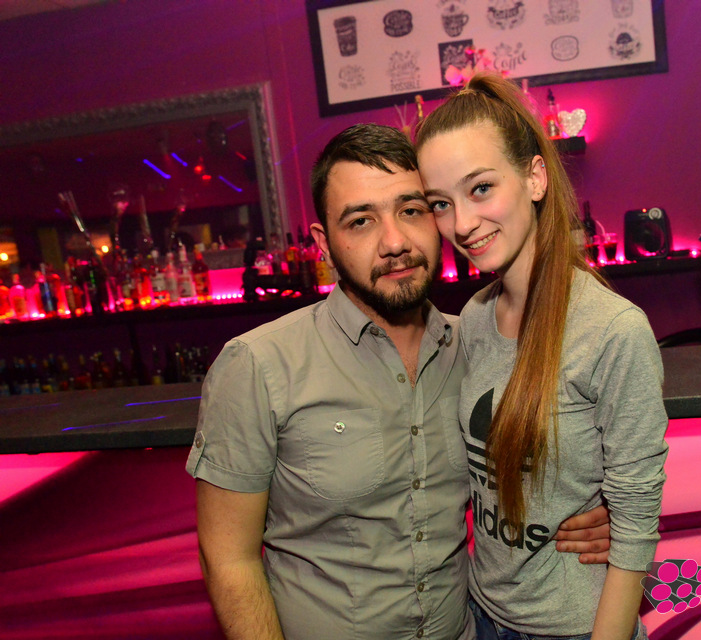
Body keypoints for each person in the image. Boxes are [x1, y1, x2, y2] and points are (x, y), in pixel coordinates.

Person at [186, 123, 611, 640]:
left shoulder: (477, 345)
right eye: (361, 221)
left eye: (412, 210)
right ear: (323, 244)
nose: (394, 242)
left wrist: (594, 515)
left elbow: (535, 472)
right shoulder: (258, 365)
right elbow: (228, 558)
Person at [415, 73, 669, 640]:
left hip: (575, 627)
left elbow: (635, 526)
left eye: (481, 188)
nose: (462, 224)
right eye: (441, 204)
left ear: (534, 177)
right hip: (483, 616)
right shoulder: (474, 318)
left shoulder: (611, 330)